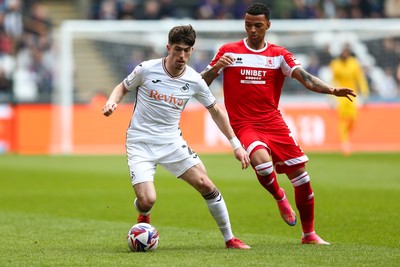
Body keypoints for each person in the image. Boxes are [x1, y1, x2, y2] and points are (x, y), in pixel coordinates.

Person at [201, 3, 356, 245]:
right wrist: (218, 66)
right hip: (244, 123)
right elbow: (201, 83)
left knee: (302, 178)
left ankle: (309, 234)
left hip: (273, 122)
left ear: (268, 26)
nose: (252, 30)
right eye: (248, 25)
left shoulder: (278, 55)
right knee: (262, 164)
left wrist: (332, 89)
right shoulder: (228, 51)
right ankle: (279, 195)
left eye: (258, 25)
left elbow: (305, 78)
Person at [102, 25, 251, 249]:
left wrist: (236, 145)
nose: (182, 56)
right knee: (147, 200)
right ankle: (144, 215)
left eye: (187, 50)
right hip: (140, 142)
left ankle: (230, 239)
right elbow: (122, 87)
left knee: (206, 184)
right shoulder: (146, 69)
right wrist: (111, 101)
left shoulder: (194, 80)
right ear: (168, 48)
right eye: (178, 50)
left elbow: (216, 111)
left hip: (171, 143)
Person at [329, 43, 369, 155]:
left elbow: (360, 78)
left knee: (353, 119)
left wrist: (365, 93)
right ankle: (344, 142)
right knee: (342, 119)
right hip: (340, 96)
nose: (345, 54)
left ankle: (346, 138)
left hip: (352, 95)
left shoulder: (354, 63)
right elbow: (332, 80)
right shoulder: (335, 64)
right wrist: (331, 96)